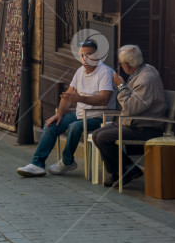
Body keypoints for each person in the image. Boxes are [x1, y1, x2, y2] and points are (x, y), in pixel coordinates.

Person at [17, 40, 116, 177]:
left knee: (74, 126)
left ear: (97, 55)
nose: (85, 59)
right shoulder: (80, 71)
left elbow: (104, 98)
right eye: (82, 55)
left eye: (88, 54)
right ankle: (37, 164)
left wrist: (80, 99)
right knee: (51, 124)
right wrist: (60, 114)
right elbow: (67, 95)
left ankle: (67, 161)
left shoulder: (105, 72)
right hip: (80, 115)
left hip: (99, 117)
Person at [92, 44, 168, 187]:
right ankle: (117, 172)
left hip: (145, 126)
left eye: (121, 64)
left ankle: (129, 170)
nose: (121, 67)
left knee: (103, 137)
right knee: (97, 134)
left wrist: (121, 86)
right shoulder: (143, 70)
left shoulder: (146, 79)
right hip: (133, 122)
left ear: (127, 65)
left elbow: (130, 107)